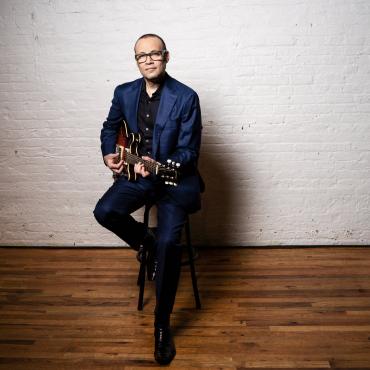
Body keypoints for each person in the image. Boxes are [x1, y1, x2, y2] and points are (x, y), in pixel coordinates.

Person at [93, 33, 203, 365]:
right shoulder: (124, 92)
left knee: (171, 244)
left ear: (166, 57)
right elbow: (109, 127)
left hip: (173, 182)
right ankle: (147, 243)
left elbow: (189, 151)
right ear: (136, 60)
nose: (149, 60)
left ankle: (162, 325)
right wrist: (108, 154)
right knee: (105, 211)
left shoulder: (186, 97)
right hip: (138, 177)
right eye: (142, 56)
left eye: (155, 54)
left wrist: (154, 167)